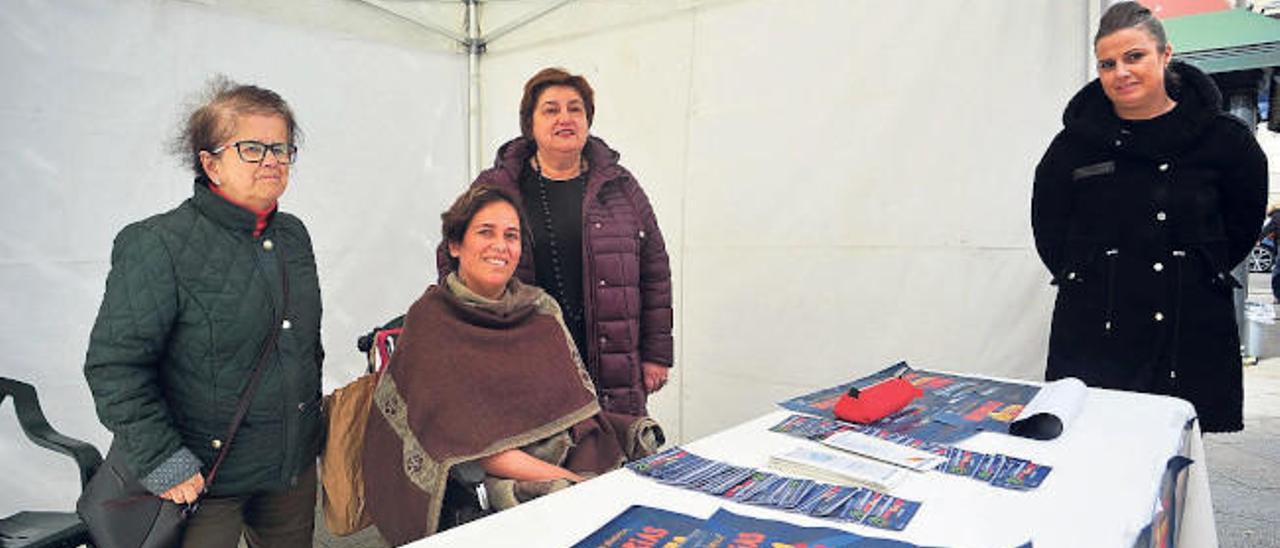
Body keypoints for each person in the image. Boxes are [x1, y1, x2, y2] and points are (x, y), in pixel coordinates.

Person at [83, 78, 324, 546]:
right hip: (202, 482)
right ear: (210, 163)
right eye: (252, 148)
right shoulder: (157, 243)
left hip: (288, 472)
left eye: (281, 147)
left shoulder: (293, 235)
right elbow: (114, 368)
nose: (272, 160)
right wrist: (165, 463)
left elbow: (303, 347)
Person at [366, 186, 660, 545]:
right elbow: (472, 448)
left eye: (511, 236)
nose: (500, 246)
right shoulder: (432, 322)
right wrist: (572, 483)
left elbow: (577, 411)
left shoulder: (540, 309)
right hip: (497, 478)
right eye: (485, 232)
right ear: (455, 245)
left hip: (568, 455)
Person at [1031, 2, 1267, 433]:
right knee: (1092, 449)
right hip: (1095, 326)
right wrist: (1094, 273)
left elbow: (1242, 226)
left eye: (1134, 56)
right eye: (1107, 63)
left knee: (1175, 456)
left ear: (1165, 55)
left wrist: (1194, 266)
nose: (1120, 72)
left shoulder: (1225, 141)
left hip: (1187, 324)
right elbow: (1049, 231)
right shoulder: (1072, 147)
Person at [437, 67, 674, 416]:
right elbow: (452, 257)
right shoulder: (499, 186)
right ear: (530, 124)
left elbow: (655, 268)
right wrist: (476, 338)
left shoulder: (621, 186)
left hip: (612, 354)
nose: (565, 117)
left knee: (615, 453)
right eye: (551, 109)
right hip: (527, 350)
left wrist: (656, 353)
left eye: (575, 108)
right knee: (548, 457)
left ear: (587, 119)